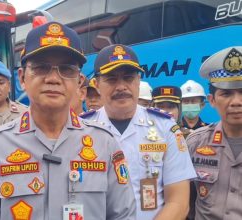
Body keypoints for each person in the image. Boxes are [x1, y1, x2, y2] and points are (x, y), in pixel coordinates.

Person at [0, 22, 136, 220]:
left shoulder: (104, 143)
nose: (53, 78)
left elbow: (124, 216)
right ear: (22, 78)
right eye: (41, 68)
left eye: (67, 69)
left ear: (79, 81)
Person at [82, 44, 196, 220]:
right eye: (111, 79)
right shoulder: (81, 128)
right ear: (96, 85)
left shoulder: (166, 128)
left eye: (128, 78)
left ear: (138, 80)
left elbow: (178, 202)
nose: (121, 87)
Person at [187, 46, 242, 220]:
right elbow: (183, 199)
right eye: (226, 94)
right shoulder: (195, 143)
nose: (236, 102)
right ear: (212, 100)